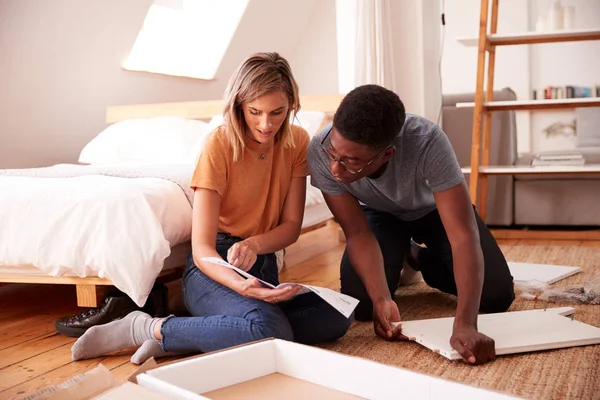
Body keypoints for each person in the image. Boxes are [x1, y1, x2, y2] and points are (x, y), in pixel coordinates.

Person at [70, 52, 352, 364]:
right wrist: (239, 284)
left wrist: (254, 245)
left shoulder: (297, 141)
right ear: (238, 105)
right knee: (271, 330)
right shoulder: (218, 144)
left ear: (291, 106)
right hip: (212, 268)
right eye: (255, 111)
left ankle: (194, 337)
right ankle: (144, 327)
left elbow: (290, 226)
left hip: (261, 265)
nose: (266, 124)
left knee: (338, 317)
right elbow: (202, 247)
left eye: (277, 112)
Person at [307, 84, 515, 365]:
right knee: (364, 305)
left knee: (496, 295)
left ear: (386, 154)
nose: (335, 168)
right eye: (334, 154)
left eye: (351, 162)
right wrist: (381, 298)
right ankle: (399, 254)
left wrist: (465, 323)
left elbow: (463, 236)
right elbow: (356, 233)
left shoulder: (428, 141)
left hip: (435, 211)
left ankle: (417, 257)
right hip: (379, 215)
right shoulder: (321, 149)